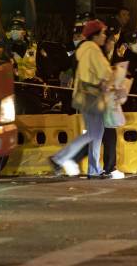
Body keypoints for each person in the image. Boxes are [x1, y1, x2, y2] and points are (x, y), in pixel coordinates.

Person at [50, 19, 112, 177]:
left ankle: (94, 169)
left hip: (83, 94)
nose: (105, 36)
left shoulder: (83, 48)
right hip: (92, 95)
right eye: (103, 33)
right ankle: (59, 158)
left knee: (96, 134)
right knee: (93, 134)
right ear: (95, 35)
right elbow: (104, 73)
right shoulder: (93, 49)